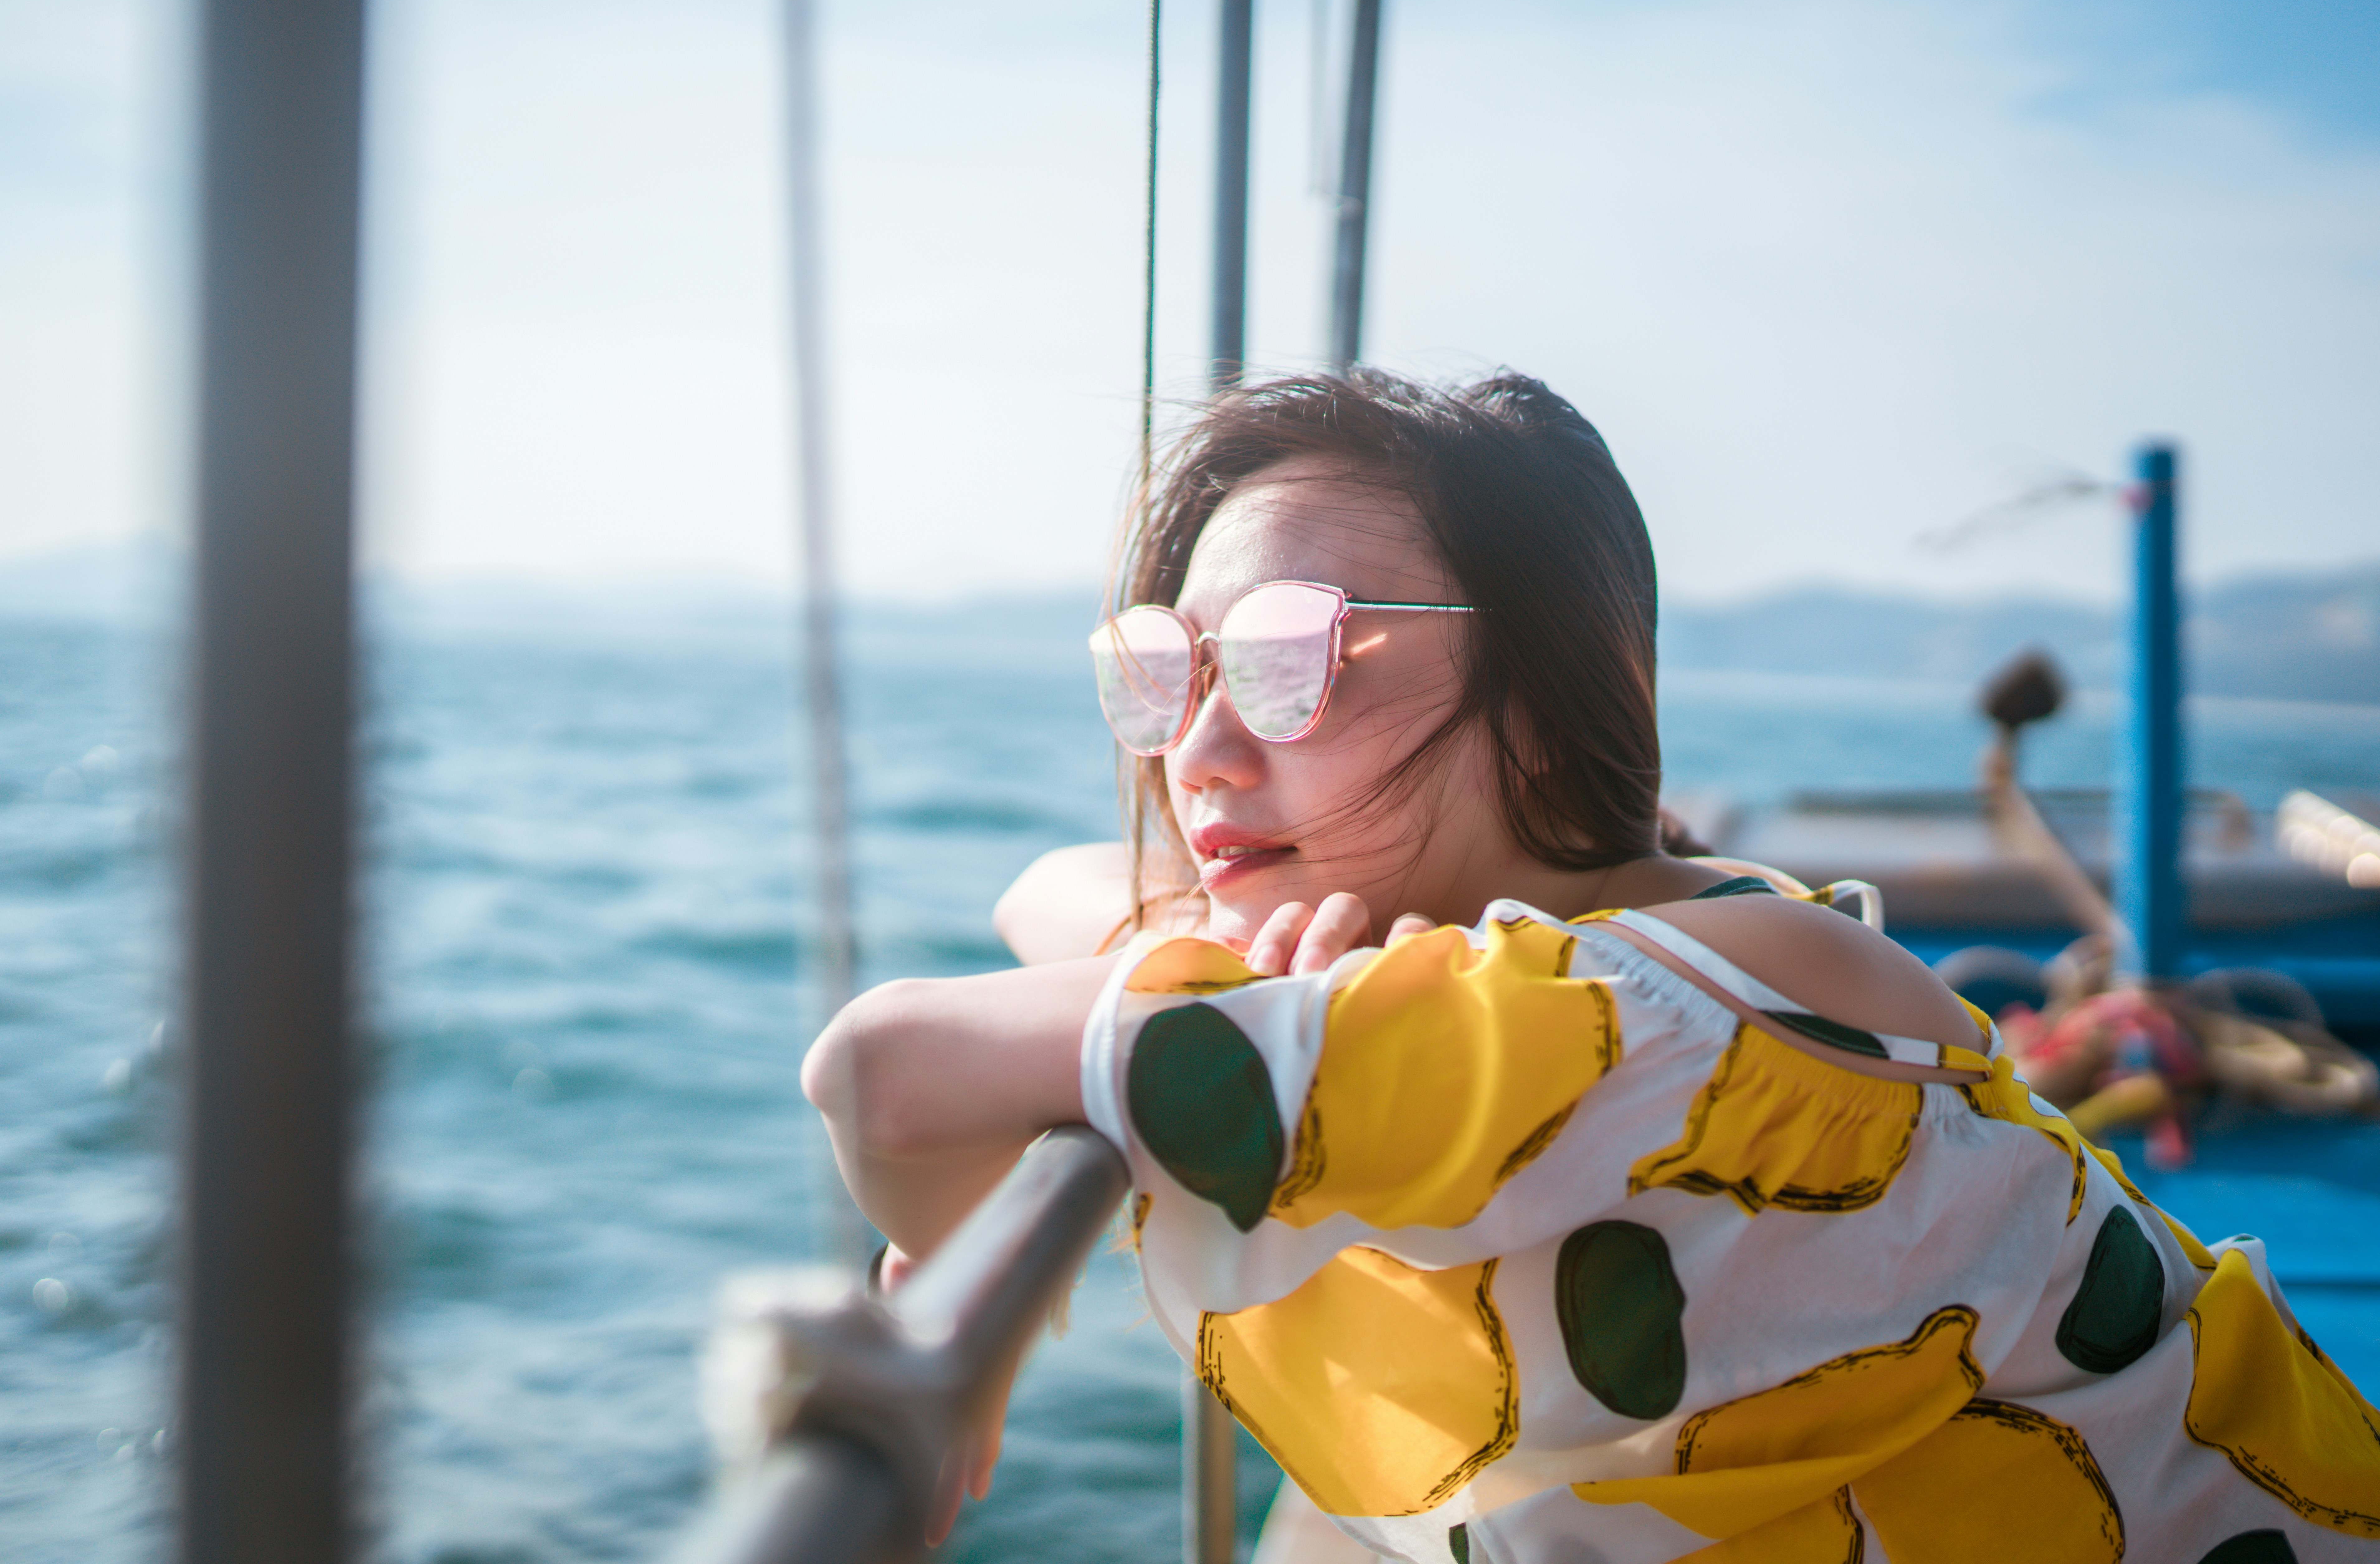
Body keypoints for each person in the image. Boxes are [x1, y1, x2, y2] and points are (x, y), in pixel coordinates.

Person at [803, 370, 2380, 1562]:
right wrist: (1193, 945)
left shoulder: (1654, 1016)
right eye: (1164, 670)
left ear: (1548, 701)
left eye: (1294, 659)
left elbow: (884, 1071)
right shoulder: (1614, 952)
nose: (1199, 757)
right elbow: (1054, 884)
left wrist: (960, 1347)